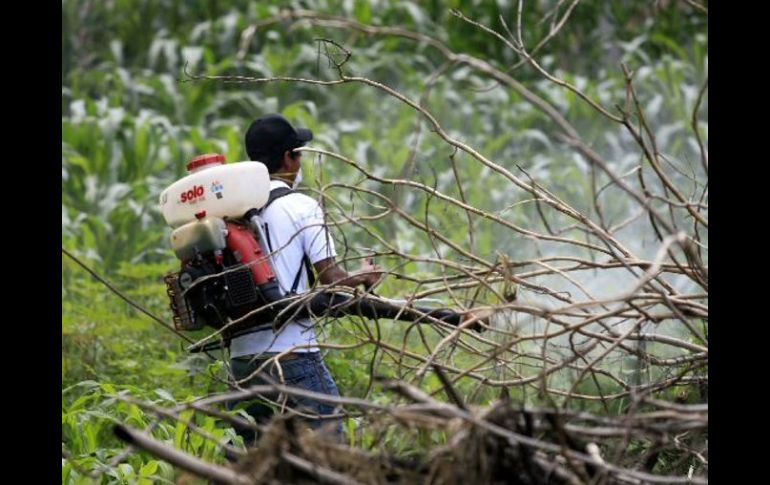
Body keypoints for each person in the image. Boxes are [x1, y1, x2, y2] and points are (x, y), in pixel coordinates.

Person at [226, 113, 380, 443]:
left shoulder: (232, 211)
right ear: (288, 158)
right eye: (300, 153)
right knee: (329, 447)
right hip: (291, 354)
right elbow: (332, 279)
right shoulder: (301, 206)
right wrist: (364, 276)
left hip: (242, 358)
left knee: (254, 460)